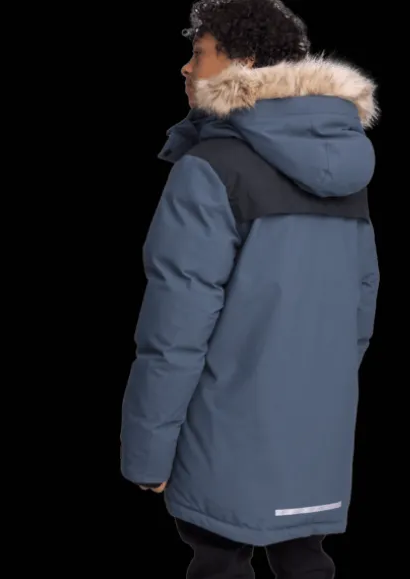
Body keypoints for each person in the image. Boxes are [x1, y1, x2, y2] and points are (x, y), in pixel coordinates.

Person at [120, 0, 380, 576]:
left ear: (245, 63)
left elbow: (175, 328)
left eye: (199, 53)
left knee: (219, 560)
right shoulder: (346, 167)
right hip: (317, 442)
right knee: (304, 559)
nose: (187, 67)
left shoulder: (211, 167)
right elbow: (360, 308)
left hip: (222, 437)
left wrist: (148, 455)